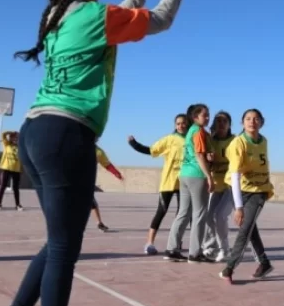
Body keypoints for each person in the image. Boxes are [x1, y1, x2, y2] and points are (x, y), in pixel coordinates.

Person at [0, 0, 191, 306]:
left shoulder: (57, 20)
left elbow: (121, 15)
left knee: (57, 241)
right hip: (65, 135)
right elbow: (161, 19)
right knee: (64, 247)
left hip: (34, 132)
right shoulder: (97, 17)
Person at [219, 109, 275, 284]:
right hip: (239, 189)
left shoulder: (263, 141)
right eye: (248, 119)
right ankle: (264, 263)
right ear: (242, 123)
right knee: (249, 227)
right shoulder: (238, 143)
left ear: (262, 122)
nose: (252, 122)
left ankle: (229, 268)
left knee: (245, 230)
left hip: (259, 191)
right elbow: (235, 174)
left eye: (256, 119)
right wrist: (239, 207)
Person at [128, 113, 187, 255]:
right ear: (175, 125)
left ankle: (176, 242)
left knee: (182, 215)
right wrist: (134, 144)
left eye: (183, 123)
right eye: (178, 123)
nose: (180, 125)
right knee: (161, 212)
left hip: (185, 183)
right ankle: (149, 243)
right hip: (168, 182)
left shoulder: (192, 139)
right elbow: (151, 150)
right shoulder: (169, 139)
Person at [164, 104, 214, 262]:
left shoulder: (190, 132)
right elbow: (199, 155)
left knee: (183, 212)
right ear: (195, 117)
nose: (207, 117)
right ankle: (195, 253)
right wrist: (209, 176)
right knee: (199, 214)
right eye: (204, 115)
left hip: (184, 174)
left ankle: (171, 249)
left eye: (208, 115)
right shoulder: (198, 131)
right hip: (197, 175)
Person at [202, 111, 236, 262]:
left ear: (229, 125)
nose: (221, 124)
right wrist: (208, 160)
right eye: (218, 121)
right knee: (209, 217)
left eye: (224, 121)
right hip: (216, 184)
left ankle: (225, 249)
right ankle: (211, 247)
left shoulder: (235, 141)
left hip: (232, 185)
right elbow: (203, 161)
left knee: (220, 215)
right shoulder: (210, 141)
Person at [90, 146, 124, 232]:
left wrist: (116, 173)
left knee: (93, 203)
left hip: (86, 182)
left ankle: (99, 223)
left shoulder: (98, 152)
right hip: (70, 179)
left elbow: (107, 164)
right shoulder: (75, 145)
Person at [0, 131, 24, 211]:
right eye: (13, 137)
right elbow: (3, 134)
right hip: (6, 168)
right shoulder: (7, 144)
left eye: (17, 138)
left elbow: (21, 159)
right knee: (3, 186)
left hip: (16, 169)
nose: (15, 139)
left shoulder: (20, 147)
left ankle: (18, 205)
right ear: (11, 138)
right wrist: (12, 132)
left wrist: (21, 169)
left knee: (16, 188)